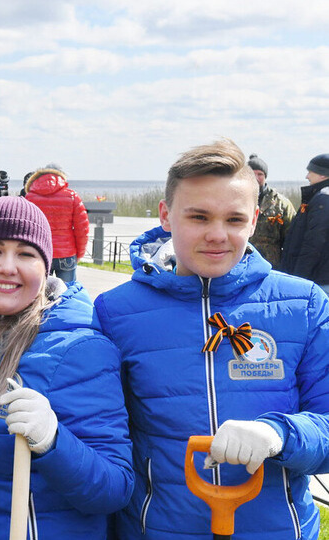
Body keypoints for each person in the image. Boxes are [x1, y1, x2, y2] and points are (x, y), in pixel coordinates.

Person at [94, 139, 329, 539]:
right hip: (157, 529)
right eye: (199, 217)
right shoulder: (116, 312)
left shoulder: (303, 304)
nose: (217, 235)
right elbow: (104, 437)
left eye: (234, 220)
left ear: (254, 220)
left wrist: (279, 434)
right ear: (166, 215)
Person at [0, 196, 133, 539]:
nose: (8, 267)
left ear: (47, 267)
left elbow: (115, 488)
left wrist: (53, 441)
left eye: (26, 254)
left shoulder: (80, 350)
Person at [23, 163, 89, 282]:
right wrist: (79, 254)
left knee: (39, 294)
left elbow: (26, 229)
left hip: (40, 252)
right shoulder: (72, 196)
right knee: (67, 294)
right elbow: (82, 230)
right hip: (67, 253)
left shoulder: (30, 197)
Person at [280, 153, 329, 294]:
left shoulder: (323, 199)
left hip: (319, 282)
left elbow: (314, 243)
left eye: (310, 172)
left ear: (322, 175)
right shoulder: (320, 197)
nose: (307, 176)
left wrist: (298, 279)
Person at [247, 153, 295, 267]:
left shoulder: (281, 204)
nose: (256, 178)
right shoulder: (235, 200)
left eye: (260, 174)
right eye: (252, 174)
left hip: (271, 265)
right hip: (240, 262)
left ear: (265, 177)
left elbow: (292, 238)